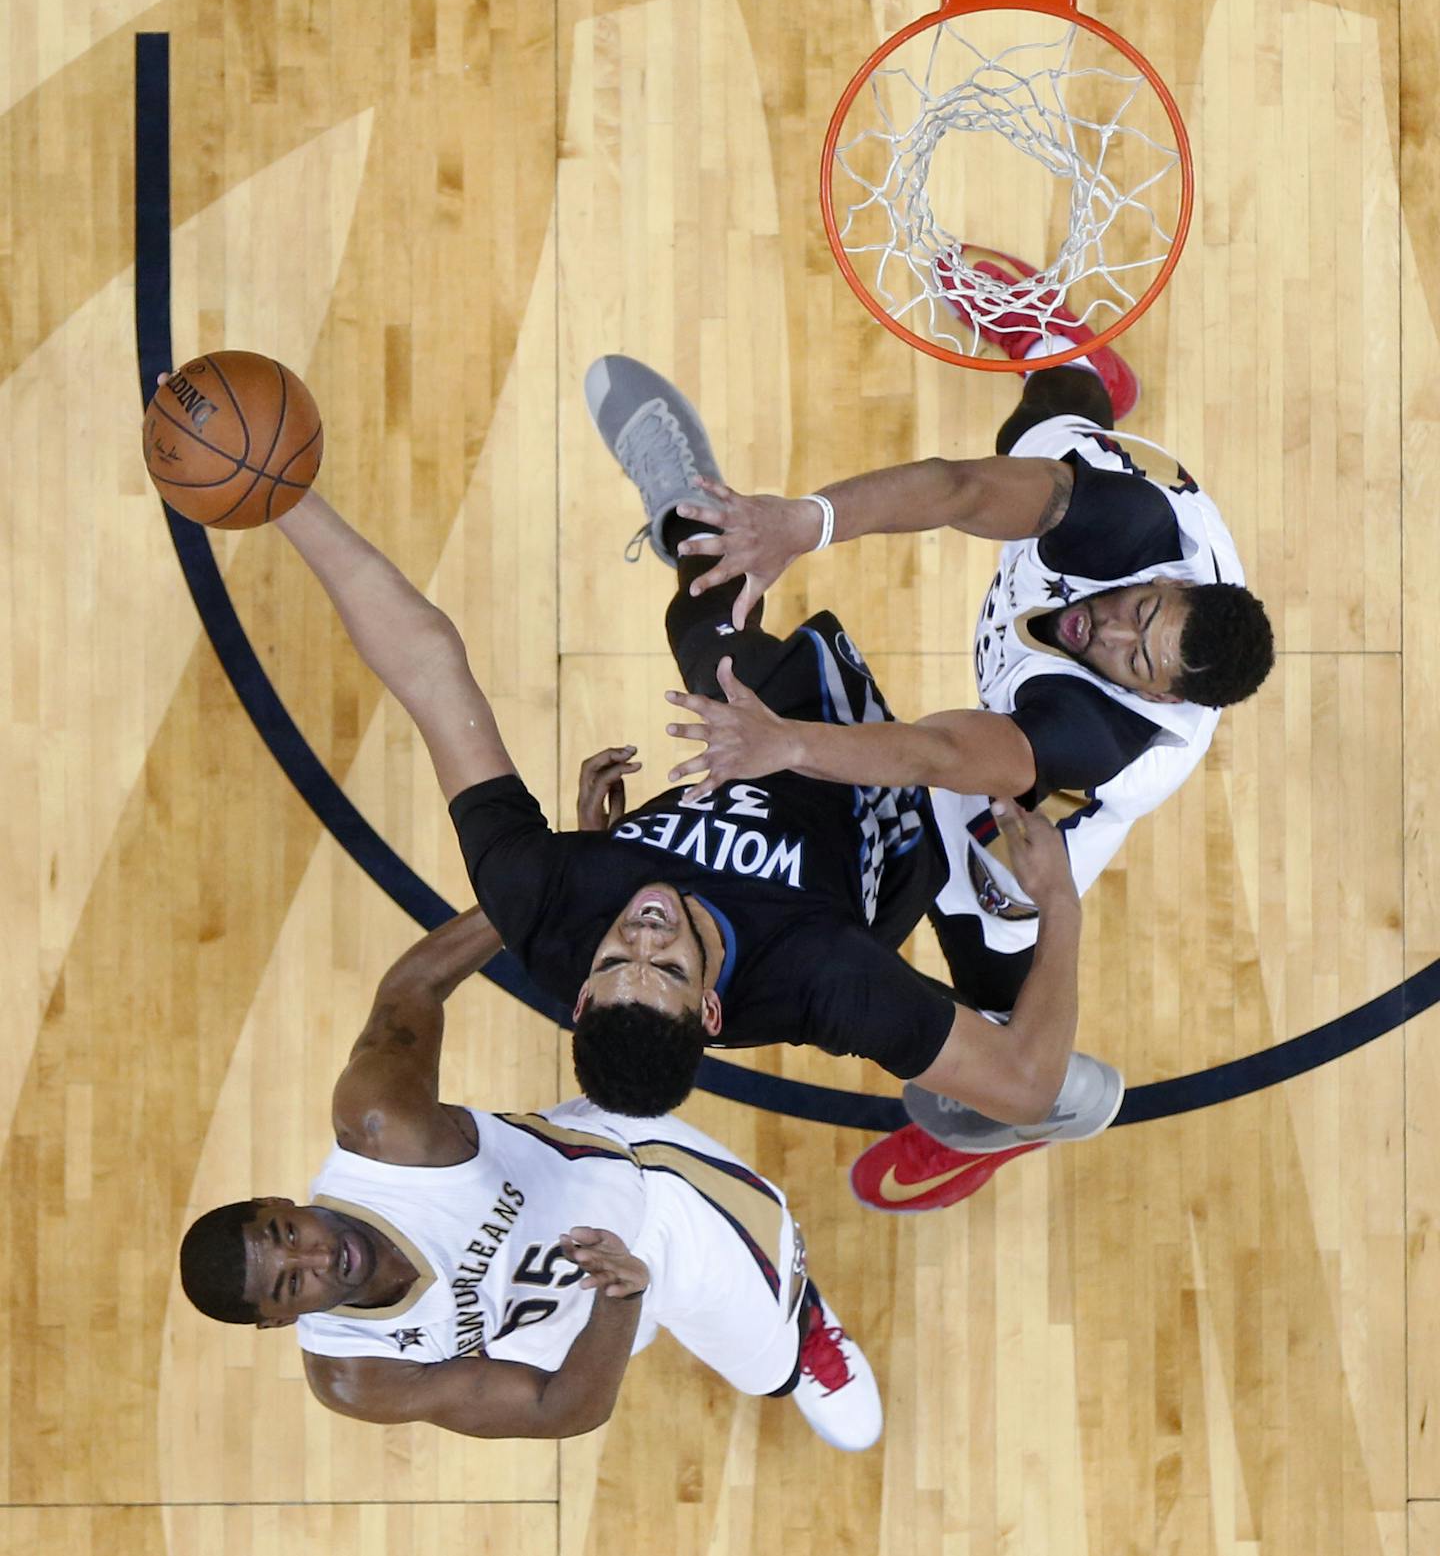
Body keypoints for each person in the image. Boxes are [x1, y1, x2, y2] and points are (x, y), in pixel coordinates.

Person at [248, 359, 1105, 1150]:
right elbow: (1026, 1083)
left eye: (618, 958)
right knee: (1018, 998)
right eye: (666, 963)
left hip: (758, 740)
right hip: (896, 831)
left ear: (580, 992)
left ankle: (690, 512)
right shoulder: (824, 980)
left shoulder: (540, 900)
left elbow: (429, 669)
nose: (644, 930)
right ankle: (1075, 430)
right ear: (709, 1002)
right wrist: (1060, 900)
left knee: (704, 611)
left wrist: (282, 496)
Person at [647, 245, 1275, 1209]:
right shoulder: (1134, 530)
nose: (1106, 627)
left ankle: (1009, 1119)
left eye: (1134, 655)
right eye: (1140, 610)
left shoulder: (1103, 739)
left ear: (1155, 696)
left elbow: (940, 756)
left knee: (980, 974)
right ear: (1171, 580)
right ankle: (1070, 355)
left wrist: (786, 743)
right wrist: (800, 523)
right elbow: (956, 490)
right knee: (1047, 429)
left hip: (1014, 830)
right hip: (1094, 524)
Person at [178, 905, 882, 1449]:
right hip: (570, 1318)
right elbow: (562, 1407)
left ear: (277, 1200)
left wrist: (542, 891)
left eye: (287, 1232)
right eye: (292, 1281)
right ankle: (659, 1305)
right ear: (281, 1319)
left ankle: (804, 1330)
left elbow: (414, 984)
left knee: (767, 1358)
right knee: (615, 1332)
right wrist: (619, 1294)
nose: (318, 1254)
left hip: (646, 1192)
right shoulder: (354, 1374)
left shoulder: (383, 1128)